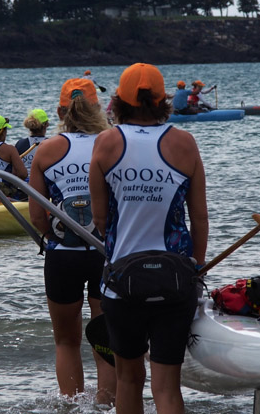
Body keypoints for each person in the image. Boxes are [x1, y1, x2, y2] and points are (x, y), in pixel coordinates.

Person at [89, 63, 208, 414]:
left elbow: (100, 219)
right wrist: (196, 268)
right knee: (167, 387)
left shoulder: (106, 141)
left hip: (122, 282)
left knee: (128, 380)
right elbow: (199, 218)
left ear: (119, 100)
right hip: (176, 280)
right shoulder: (184, 142)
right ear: (162, 99)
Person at [28, 78, 116, 405]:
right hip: (106, 252)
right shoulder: (113, 144)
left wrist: (53, 239)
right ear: (98, 108)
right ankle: (106, 404)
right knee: (105, 337)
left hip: (63, 255)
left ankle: (71, 405)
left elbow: (37, 215)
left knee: (66, 341)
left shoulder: (47, 149)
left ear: (59, 111)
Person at [15, 108, 50, 178]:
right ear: (46, 125)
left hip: (22, 183)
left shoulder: (20, 144)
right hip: (43, 182)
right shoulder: (51, 144)